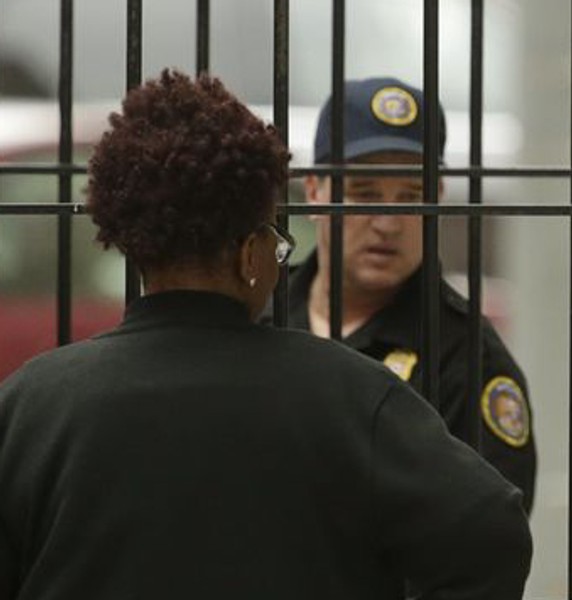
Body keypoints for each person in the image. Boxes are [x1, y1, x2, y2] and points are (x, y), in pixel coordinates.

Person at [0, 71, 531, 600]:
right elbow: (492, 533)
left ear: (135, 247)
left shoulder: (32, 404)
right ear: (251, 255)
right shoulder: (350, 394)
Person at [281, 78, 536, 512]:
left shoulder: (466, 357)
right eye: (364, 195)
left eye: (411, 197)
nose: (388, 223)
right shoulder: (259, 312)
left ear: (437, 199)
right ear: (313, 192)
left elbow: (487, 546)